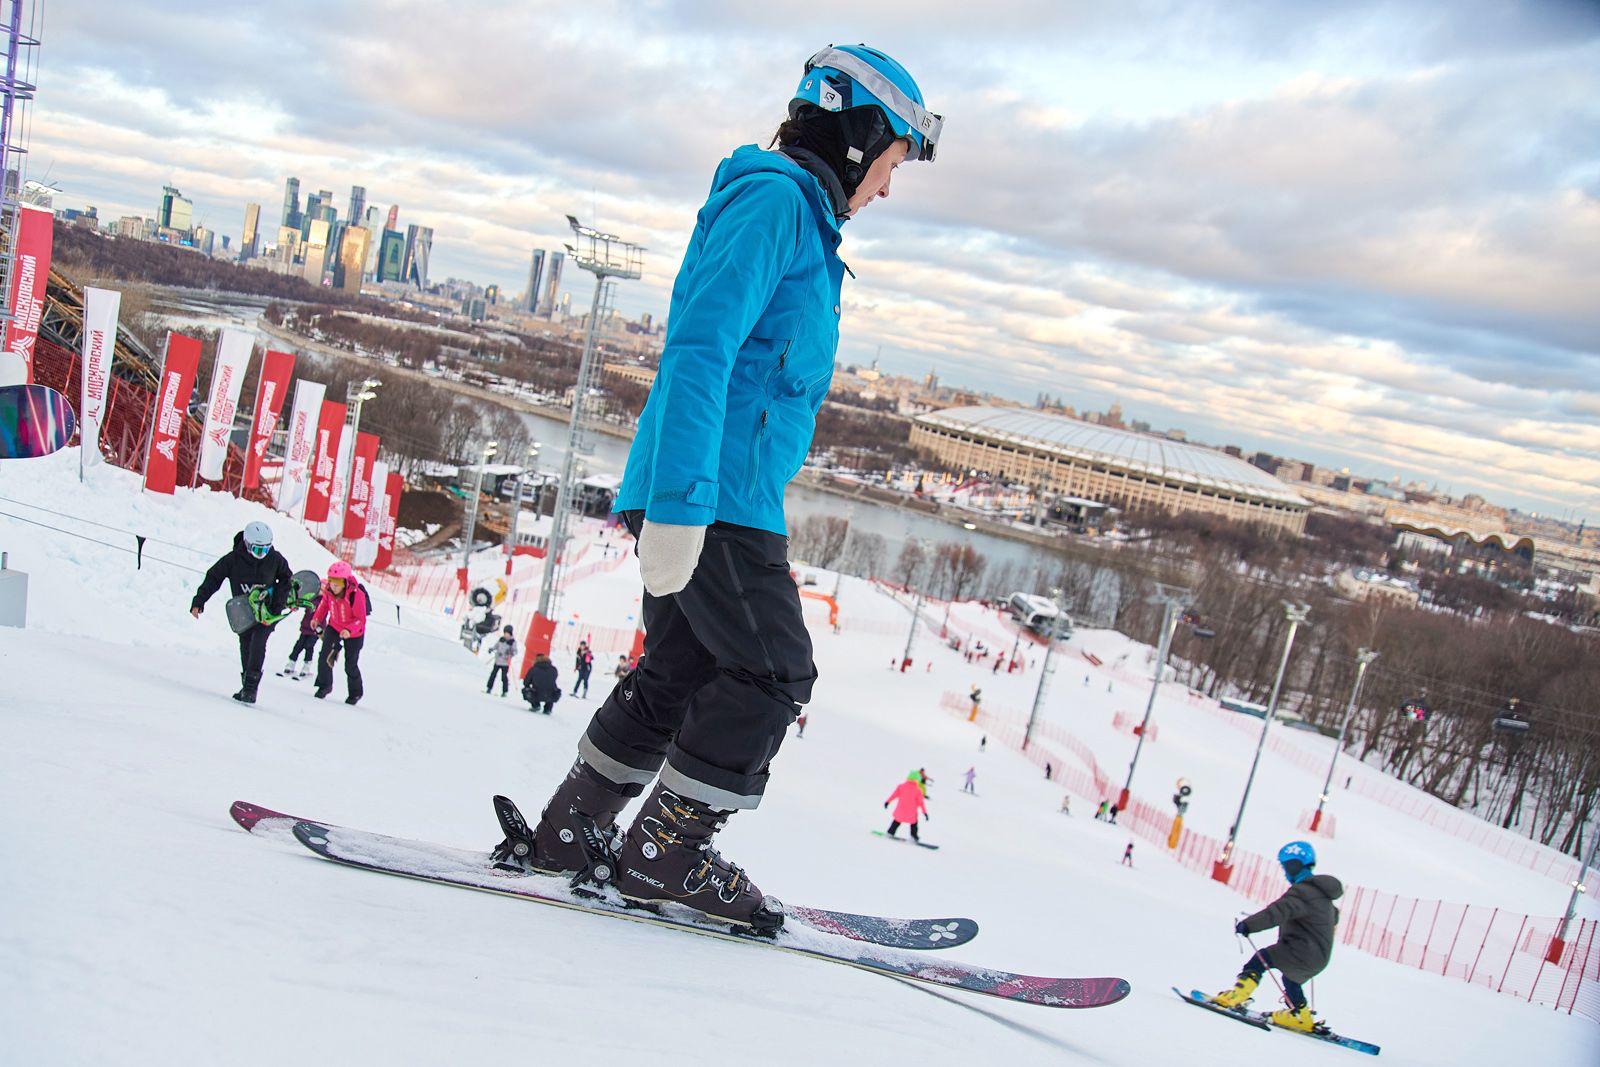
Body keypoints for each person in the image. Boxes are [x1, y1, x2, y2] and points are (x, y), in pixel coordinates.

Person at [488, 44, 940, 933]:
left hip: (719, 490)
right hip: (716, 497)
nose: (886, 190)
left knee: (683, 668)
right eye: (890, 165)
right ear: (860, 138)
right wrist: (687, 506)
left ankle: (571, 835)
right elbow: (700, 349)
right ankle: (666, 854)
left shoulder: (800, 218)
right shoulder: (776, 201)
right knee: (775, 672)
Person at [1211, 841, 1344, 1033]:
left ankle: (1237, 996)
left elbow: (1277, 912)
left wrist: (1249, 925)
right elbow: (1332, 916)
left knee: (1260, 959)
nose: (1285, 872)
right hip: (1319, 957)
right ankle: (1301, 1016)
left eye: (1285, 867)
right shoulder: (1323, 897)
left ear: (1293, 865)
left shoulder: (1303, 892)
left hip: (1301, 951)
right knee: (1291, 979)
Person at [190, 521, 293, 704]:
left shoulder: (275, 559)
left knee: (258, 643)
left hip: (267, 612)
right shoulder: (233, 559)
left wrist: (278, 605)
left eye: (266, 550)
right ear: (246, 543)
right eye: (257, 550)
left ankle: (251, 689)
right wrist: (199, 601)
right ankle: (247, 685)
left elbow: (286, 580)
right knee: (246, 645)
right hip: (243, 613)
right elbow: (214, 577)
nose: (262, 555)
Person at [311, 560, 369, 704]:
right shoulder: (329, 591)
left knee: (350, 664)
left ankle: (355, 693)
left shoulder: (356, 595)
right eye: (331, 582)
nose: (333, 586)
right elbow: (324, 605)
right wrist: (316, 618)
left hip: (354, 632)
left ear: (345, 582)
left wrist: (349, 630)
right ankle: (325, 686)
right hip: (335, 626)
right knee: (324, 655)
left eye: (337, 584)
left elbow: (361, 620)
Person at [279, 599, 321, 679]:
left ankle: (306, 667)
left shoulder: (325, 600)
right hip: (306, 627)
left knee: (309, 646)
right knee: (299, 645)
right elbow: (302, 602)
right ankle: (291, 663)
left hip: (316, 629)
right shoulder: (312, 597)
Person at [884, 772, 930, 842]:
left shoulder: (901, 786)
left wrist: (887, 802)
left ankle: (890, 832)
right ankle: (914, 837)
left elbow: (894, 795)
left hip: (900, 811)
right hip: (911, 813)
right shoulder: (918, 790)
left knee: (896, 821)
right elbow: (921, 803)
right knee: (914, 824)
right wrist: (925, 813)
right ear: (917, 779)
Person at [486, 626, 516, 697]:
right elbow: (496, 646)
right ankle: (489, 688)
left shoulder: (512, 642)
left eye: (507, 633)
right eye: (505, 633)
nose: (506, 635)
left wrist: (509, 653)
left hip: (505, 663)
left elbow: (515, 651)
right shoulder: (501, 639)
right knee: (493, 675)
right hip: (498, 661)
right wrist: (491, 649)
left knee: (504, 677)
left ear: (510, 633)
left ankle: (504, 691)